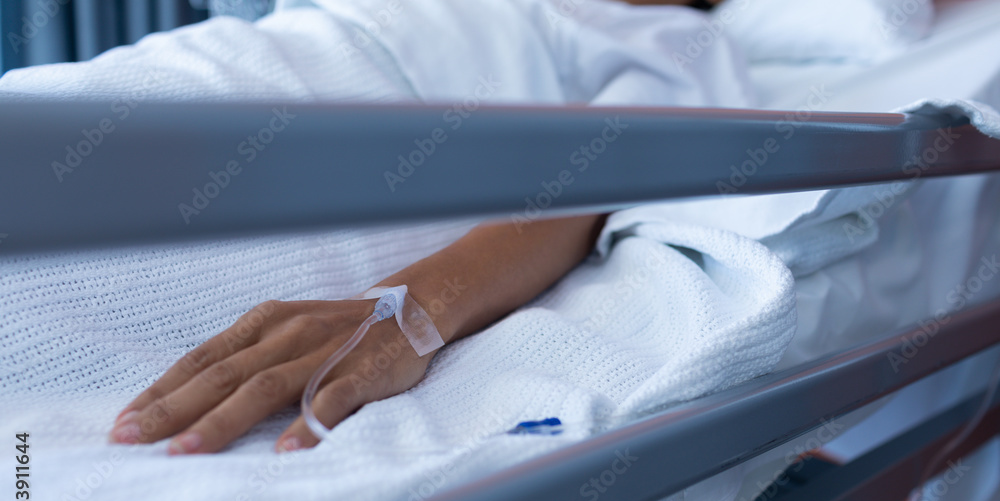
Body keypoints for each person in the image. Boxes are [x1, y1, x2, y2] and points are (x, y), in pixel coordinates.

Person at [106, 0, 721, 455]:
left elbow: (607, 169)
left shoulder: (666, 29)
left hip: (359, 117)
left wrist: (409, 314)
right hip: (233, 63)